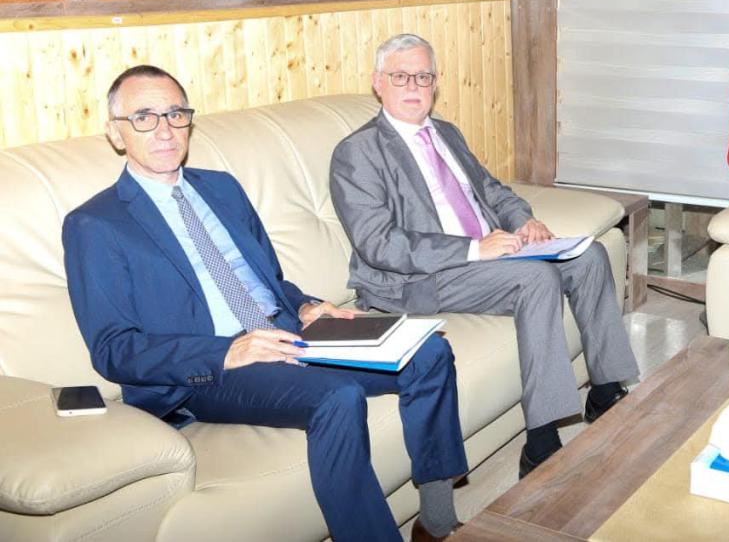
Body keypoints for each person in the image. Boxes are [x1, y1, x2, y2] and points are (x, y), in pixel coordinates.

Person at [62, 65, 467, 542]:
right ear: (116, 133)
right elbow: (113, 348)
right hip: (212, 367)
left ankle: (436, 521)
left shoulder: (221, 188)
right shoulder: (96, 224)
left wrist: (307, 306)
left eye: (175, 114)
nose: (165, 130)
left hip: (285, 331)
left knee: (429, 351)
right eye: (144, 118)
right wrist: (227, 351)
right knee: (337, 396)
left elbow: (268, 281)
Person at [329, 33, 640, 478]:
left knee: (588, 256)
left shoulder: (445, 133)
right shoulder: (357, 152)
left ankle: (605, 390)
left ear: (436, 82)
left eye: (423, 76)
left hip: (490, 252)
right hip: (420, 276)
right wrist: (475, 248)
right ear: (378, 83)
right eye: (400, 76)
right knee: (537, 279)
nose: (413, 86)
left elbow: (491, 190)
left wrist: (523, 221)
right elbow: (378, 243)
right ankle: (542, 440)